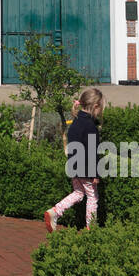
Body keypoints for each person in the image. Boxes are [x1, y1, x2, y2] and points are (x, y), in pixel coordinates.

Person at [43, 87, 106, 231]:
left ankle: (55, 212)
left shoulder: (76, 122)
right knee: (92, 197)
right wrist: (95, 173)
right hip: (86, 169)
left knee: (78, 193)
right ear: (95, 106)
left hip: (73, 166)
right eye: (100, 108)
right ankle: (92, 228)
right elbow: (92, 151)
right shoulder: (90, 126)